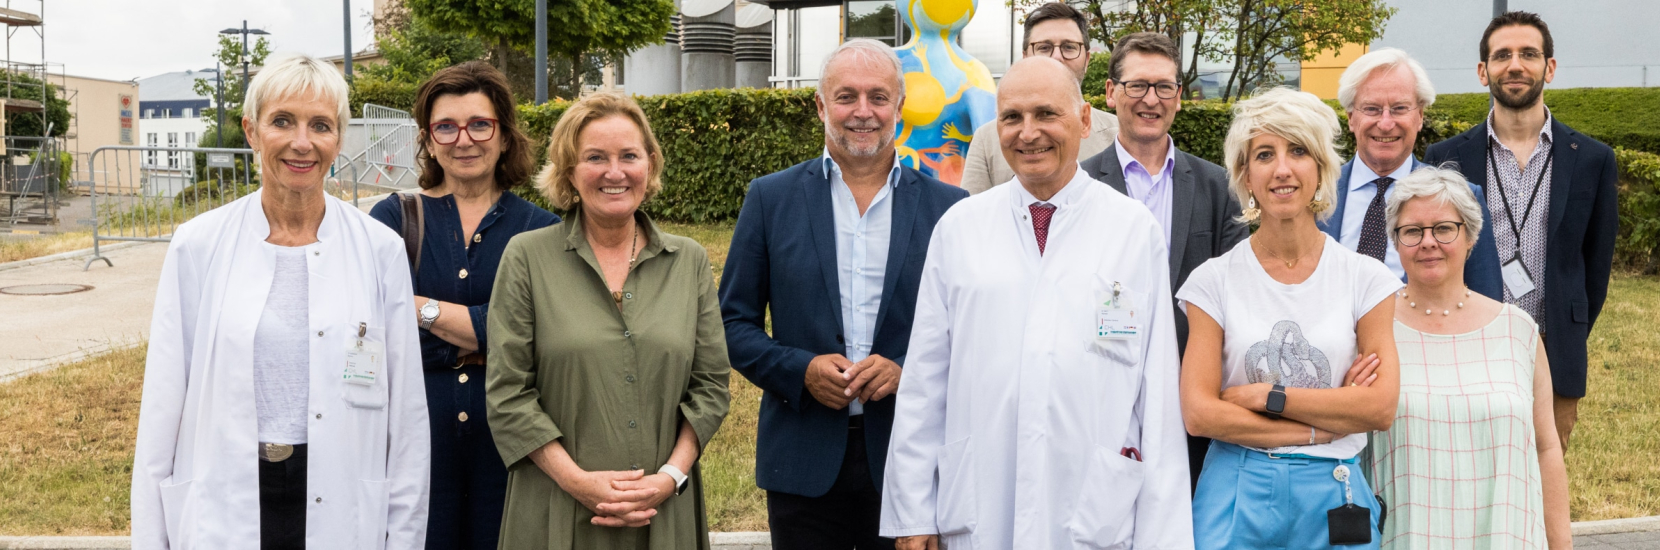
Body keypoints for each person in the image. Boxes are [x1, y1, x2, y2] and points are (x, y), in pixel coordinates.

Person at [881, 56, 1191, 550]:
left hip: (1094, 507)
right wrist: (913, 513)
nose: (1028, 133)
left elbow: (1156, 395)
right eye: (1012, 117)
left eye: (1047, 114)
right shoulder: (961, 228)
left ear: (1085, 120)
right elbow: (924, 382)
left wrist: (1164, 538)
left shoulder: (1132, 230)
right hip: (980, 500)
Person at [131, 53, 430, 549]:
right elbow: (163, 406)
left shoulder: (380, 250)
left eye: (321, 125)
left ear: (339, 138)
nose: (302, 142)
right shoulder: (197, 245)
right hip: (224, 496)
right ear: (252, 131)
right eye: (282, 122)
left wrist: (402, 538)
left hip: (342, 493)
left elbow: (407, 418)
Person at [719, 39, 968, 550]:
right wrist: (800, 370)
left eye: (878, 97)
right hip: (802, 464)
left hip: (911, 461)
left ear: (899, 107)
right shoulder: (770, 198)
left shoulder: (951, 209)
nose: (862, 112)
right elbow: (731, 325)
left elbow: (970, 332)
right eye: (846, 96)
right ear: (820, 106)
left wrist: (906, 369)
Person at [485, 91, 731, 549]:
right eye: (595, 157)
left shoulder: (689, 261)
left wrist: (670, 477)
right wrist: (578, 482)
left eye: (629, 156)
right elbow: (507, 395)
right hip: (555, 508)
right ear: (569, 171)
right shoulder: (527, 258)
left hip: (661, 511)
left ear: (650, 164)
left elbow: (712, 387)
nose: (614, 172)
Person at [1176, 87, 1400, 550]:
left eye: (1298, 150)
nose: (1282, 169)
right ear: (1245, 175)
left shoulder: (1366, 278)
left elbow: (1378, 407)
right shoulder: (1211, 281)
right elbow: (1200, 413)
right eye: (1264, 154)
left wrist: (1266, 396)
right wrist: (1322, 426)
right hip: (1235, 490)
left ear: (1320, 168)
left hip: (1335, 492)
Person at [368, 61, 558, 550]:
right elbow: (374, 330)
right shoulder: (393, 218)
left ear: (504, 135)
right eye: (445, 127)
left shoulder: (540, 230)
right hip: (415, 449)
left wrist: (419, 312)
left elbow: (539, 339)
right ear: (429, 140)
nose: (463, 139)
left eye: (479, 124)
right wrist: (480, 342)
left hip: (512, 452)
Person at [1425, 10, 1618, 451]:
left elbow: (1595, 271)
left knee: (1543, 474)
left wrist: (1566, 337)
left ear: (1549, 67)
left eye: (1529, 54)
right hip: (1466, 344)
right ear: (1483, 71)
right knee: (1467, 471)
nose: (1515, 65)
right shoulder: (1446, 157)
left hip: (1552, 351)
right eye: (1502, 55)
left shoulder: (1592, 158)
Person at [1079, 31, 1250, 489]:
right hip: (1100, 398)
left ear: (1178, 96)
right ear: (1112, 93)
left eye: (1163, 87)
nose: (1150, 99)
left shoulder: (1219, 188)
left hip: (1191, 400)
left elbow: (1236, 292)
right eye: (1137, 85)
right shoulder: (1079, 187)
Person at [1368, 166, 1572, 549]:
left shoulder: (1518, 330)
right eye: (1412, 231)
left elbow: (1546, 449)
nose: (1428, 242)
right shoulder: (1370, 329)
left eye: (1444, 228)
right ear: (1396, 242)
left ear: (1471, 237)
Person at [1321, 48, 1505, 300]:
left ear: (1419, 116)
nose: (1385, 123)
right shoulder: (1317, 194)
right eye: (1372, 109)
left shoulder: (1462, 199)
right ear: (1351, 118)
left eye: (1399, 108)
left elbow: (1486, 301)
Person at [959, 2, 1117, 194]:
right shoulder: (987, 140)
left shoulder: (1117, 135)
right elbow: (974, 215)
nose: (1057, 57)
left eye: (1069, 47)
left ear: (1087, 59)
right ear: (1025, 56)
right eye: (1044, 47)